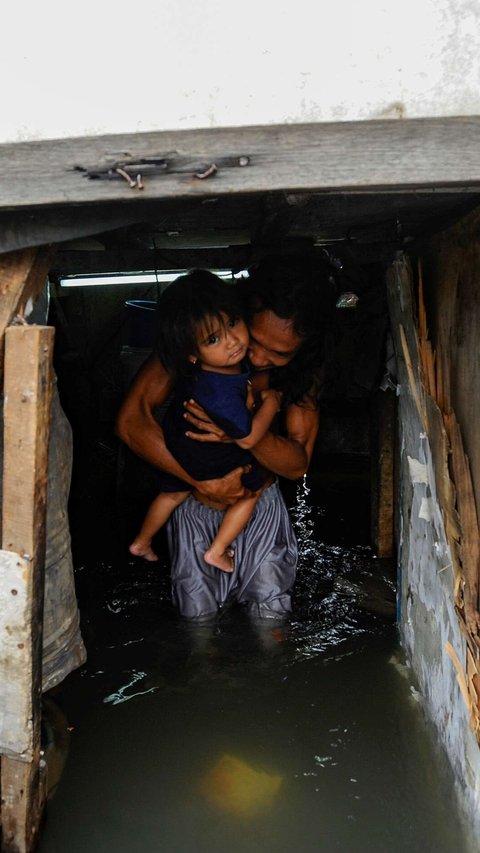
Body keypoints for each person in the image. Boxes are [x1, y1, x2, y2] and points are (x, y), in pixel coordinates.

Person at [116, 255, 335, 622]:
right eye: (256, 338)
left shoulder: (305, 373)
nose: (256, 356)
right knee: (198, 618)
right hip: (195, 500)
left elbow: (297, 465)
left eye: (279, 353)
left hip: (255, 500)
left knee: (271, 613)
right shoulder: (204, 336)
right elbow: (131, 422)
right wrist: (200, 480)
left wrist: (241, 434)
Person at [129, 270, 282, 572]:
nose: (233, 341)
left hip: (181, 446)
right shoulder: (223, 390)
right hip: (207, 461)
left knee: (172, 493)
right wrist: (271, 404)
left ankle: (142, 541)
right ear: (191, 354)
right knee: (252, 492)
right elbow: (249, 438)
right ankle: (218, 549)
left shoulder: (199, 375)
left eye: (233, 323)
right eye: (214, 338)